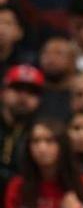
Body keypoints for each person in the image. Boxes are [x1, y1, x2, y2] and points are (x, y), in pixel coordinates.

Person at [4, 117, 83, 208]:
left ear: (63, 146)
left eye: (50, 141)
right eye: (35, 141)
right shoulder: (17, 186)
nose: (41, 148)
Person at [0, 66, 44, 195]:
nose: (23, 97)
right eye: (17, 89)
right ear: (3, 92)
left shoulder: (42, 132)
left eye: (32, 92)